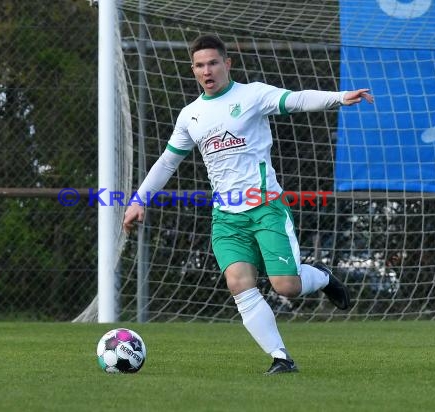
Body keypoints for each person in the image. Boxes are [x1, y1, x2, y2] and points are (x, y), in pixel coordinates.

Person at [123, 34, 374, 375]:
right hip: (226, 217)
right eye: (199, 65)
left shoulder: (253, 95)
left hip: (266, 207)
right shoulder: (190, 115)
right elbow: (167, 162)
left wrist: (341, 98)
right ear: (193, 70)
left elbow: (297, 100)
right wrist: (139, 200)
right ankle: (281, 357)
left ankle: (324, 278)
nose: (206, 71)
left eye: (213, 63)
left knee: (287, 286)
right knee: (239, 283)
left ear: (227, 64)